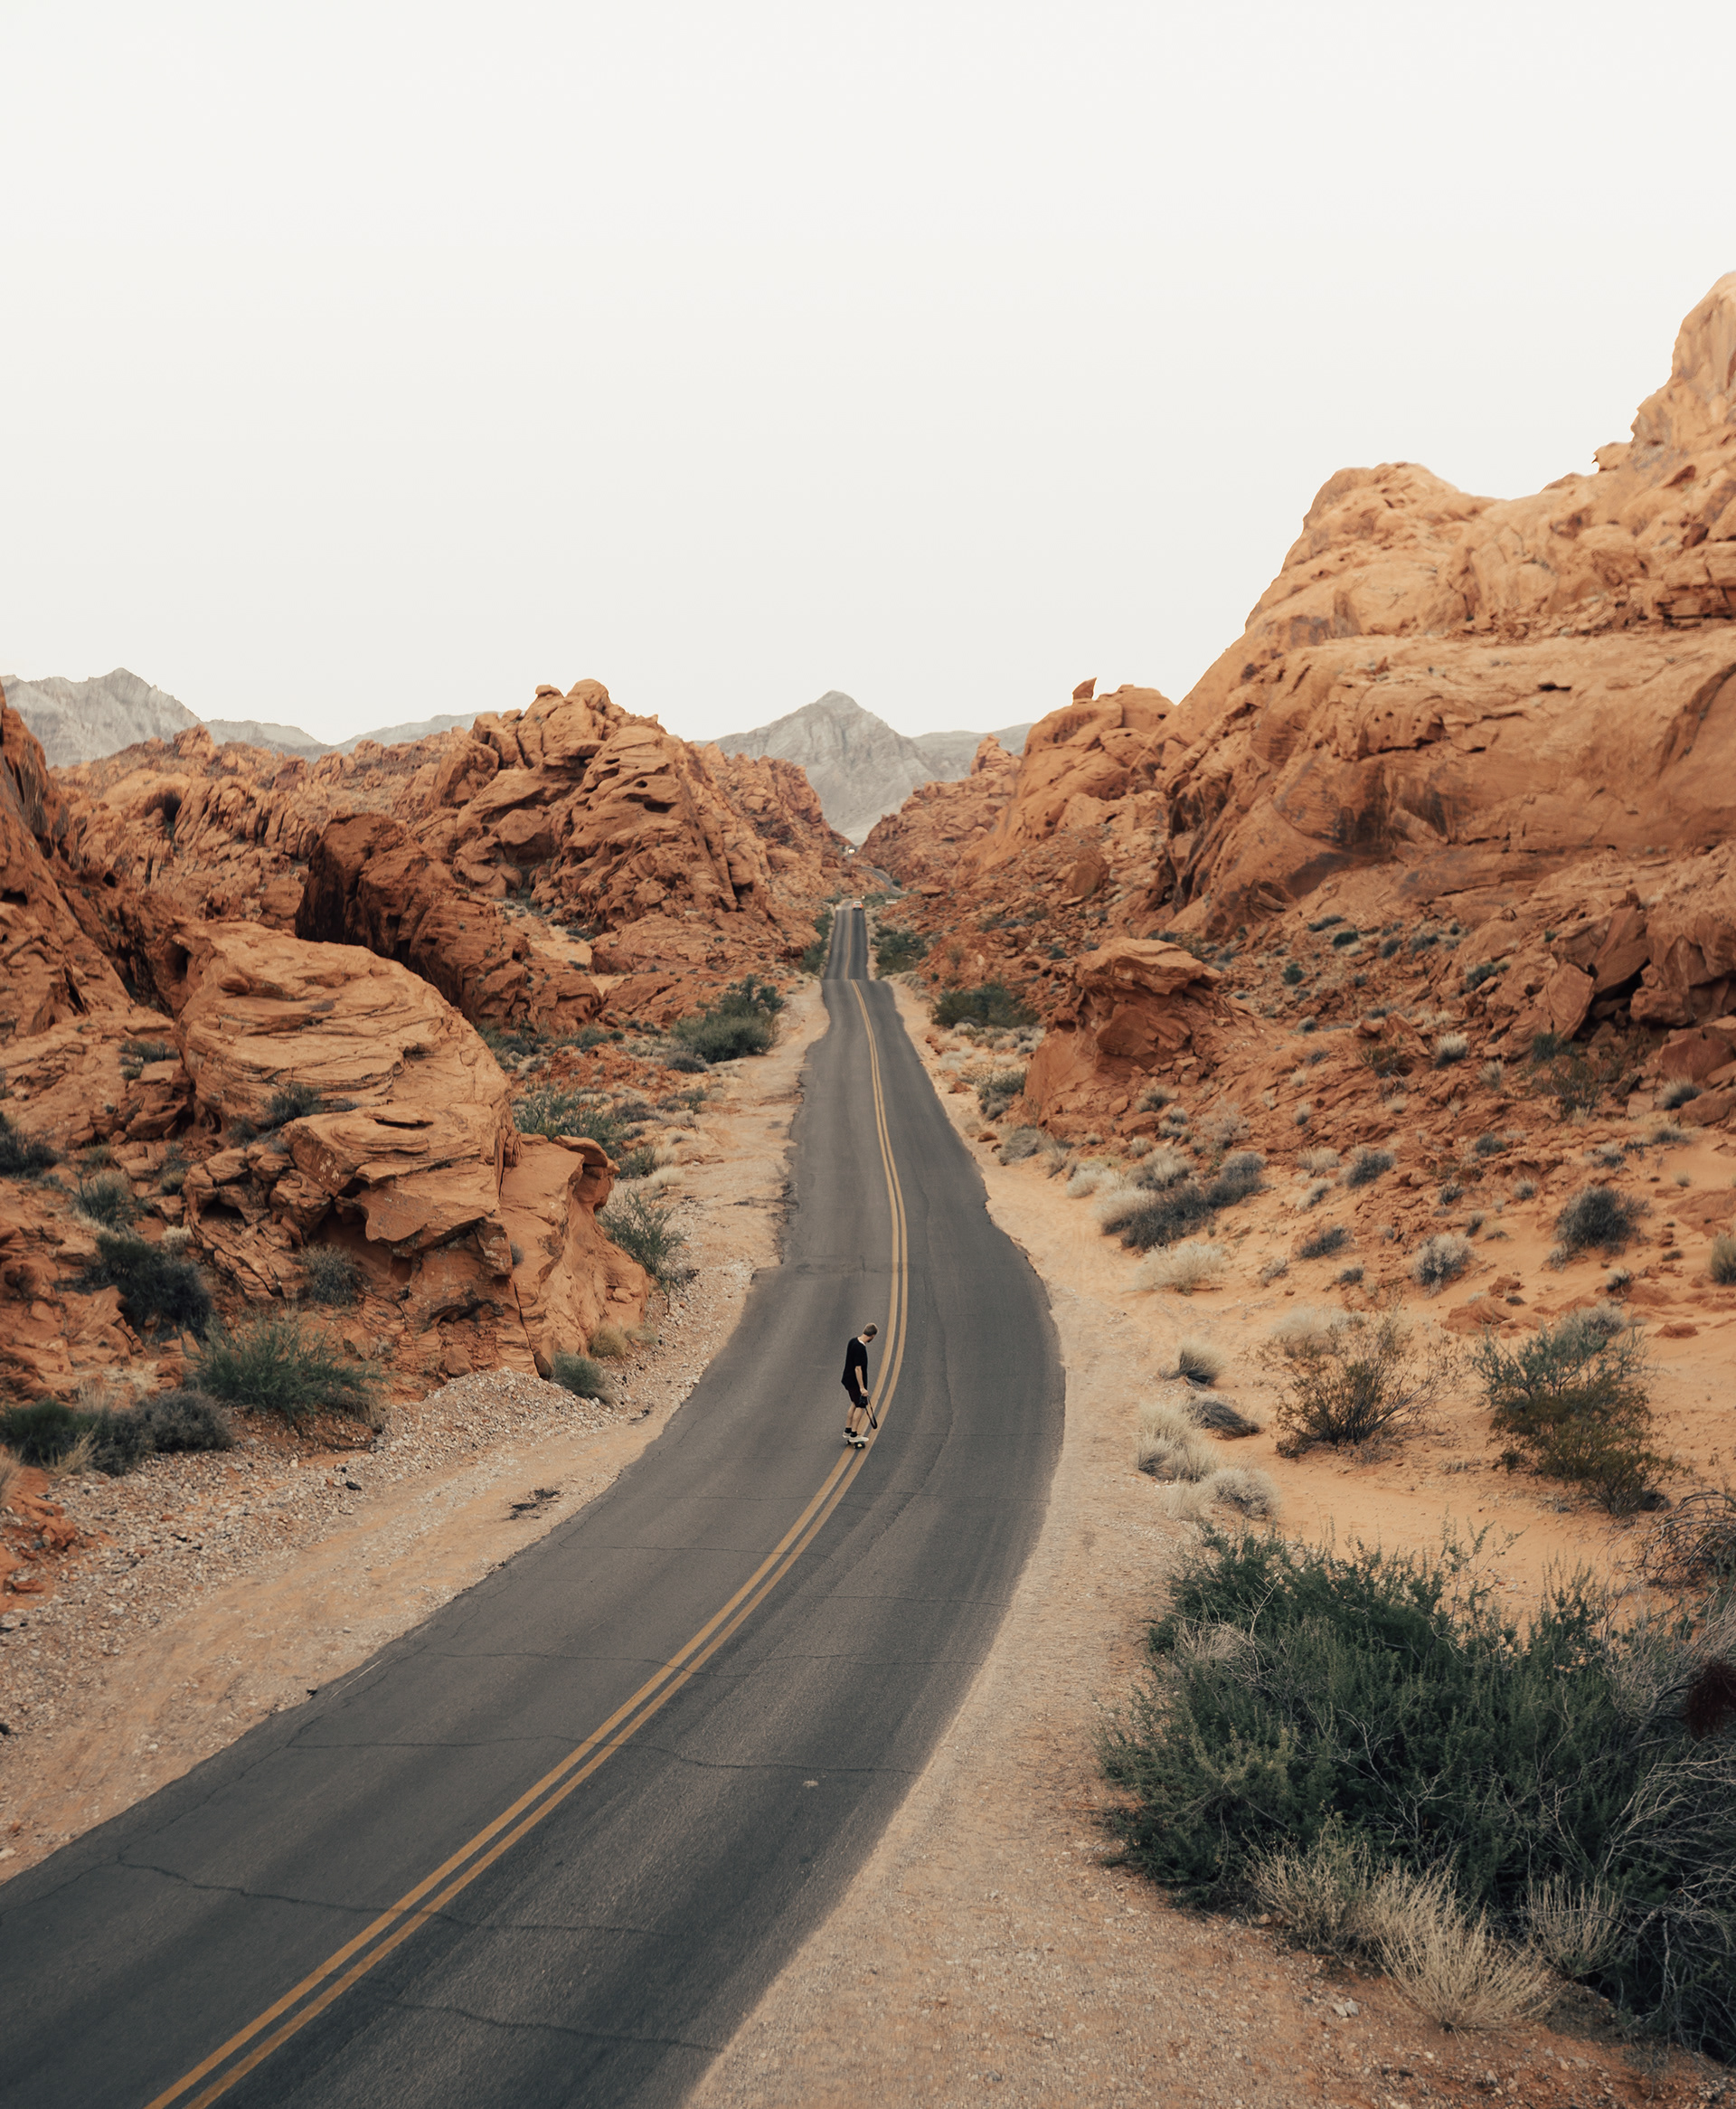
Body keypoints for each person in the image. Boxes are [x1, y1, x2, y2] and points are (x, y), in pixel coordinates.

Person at [842, 1323, 879, 1446]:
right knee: (860, 1405)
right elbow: (858, 1369)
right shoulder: (861, 1349)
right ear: (872, 1336)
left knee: (854, 1403)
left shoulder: (853, 1341)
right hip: (854, 1382)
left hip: (847, 1379)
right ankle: (854, 1435)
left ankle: (847, 1431)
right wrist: (862, 1388)